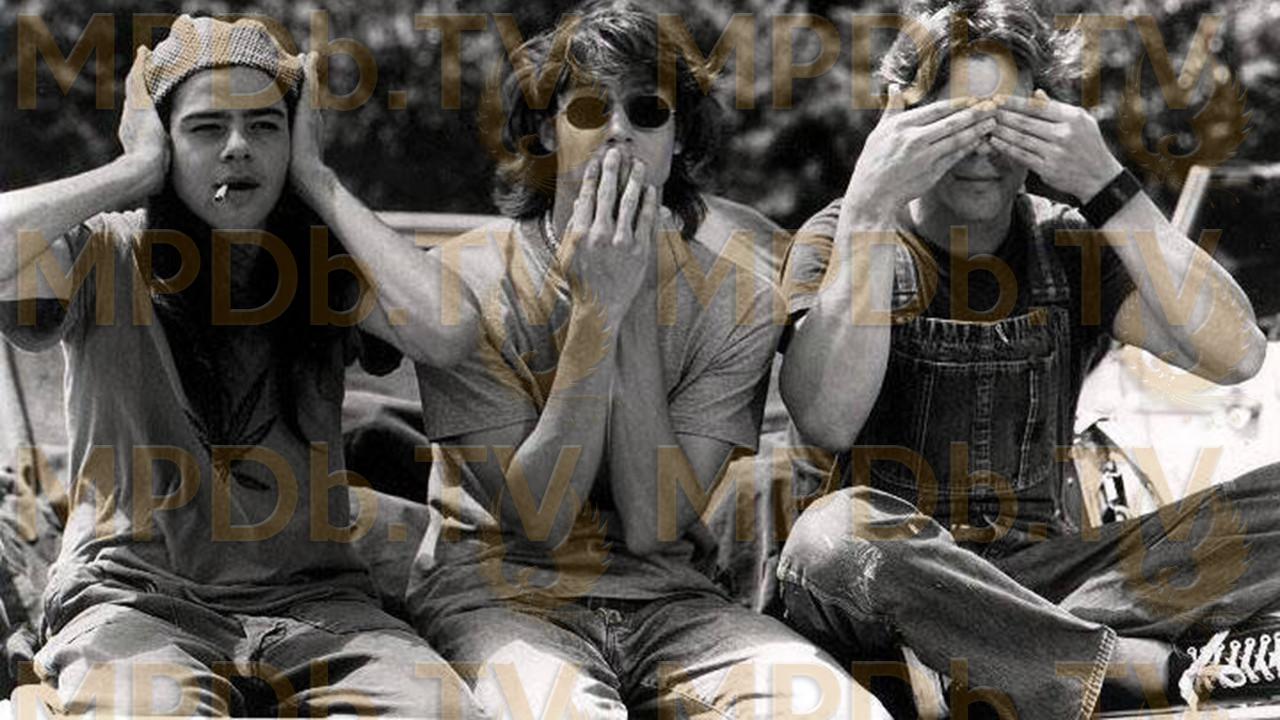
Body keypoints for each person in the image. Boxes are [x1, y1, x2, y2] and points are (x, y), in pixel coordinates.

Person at [775, 0, 1278, 717]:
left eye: (1007, 121)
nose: (983, 150)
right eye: (956, 121)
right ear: (902, 119)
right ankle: (1161, 668)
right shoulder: (843, 235)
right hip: (883, 589)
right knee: (834, 536)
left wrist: (1107, 184)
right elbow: (827, 417)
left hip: (1049, 583)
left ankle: (997, 662)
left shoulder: (1064, 243)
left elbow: (1239, 353)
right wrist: (869, 206)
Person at [406, 1, 889, 717]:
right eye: (588, 108)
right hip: (501, 598)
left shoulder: (741, 303)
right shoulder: (464, 283)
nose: (618, 129)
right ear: (547, 128)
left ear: (678, 136)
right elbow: (540, 516)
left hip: (674, 602)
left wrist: (628, 301)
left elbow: (653, 522)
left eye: (647, 111)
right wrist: (596, 310)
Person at [0, 15, 480, 717]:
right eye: (205, 128)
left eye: (264, 126)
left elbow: (449, 330)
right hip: (134, 599)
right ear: (163, 140)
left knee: (440, 710)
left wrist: (317, 178)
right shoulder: (105, 253)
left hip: (319, 605)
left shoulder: (322, 268)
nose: (238, 147)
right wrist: (131, 171)